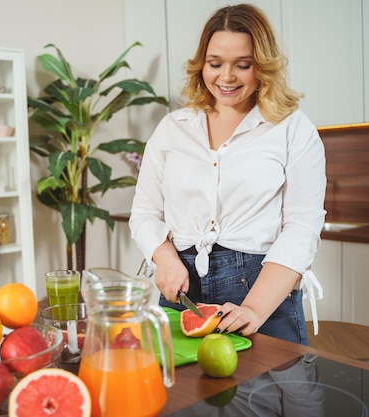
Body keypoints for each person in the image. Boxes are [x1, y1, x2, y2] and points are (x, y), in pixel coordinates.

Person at [129, 3, 326, 345]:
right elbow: (144, 213)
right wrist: (166, 259)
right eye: (215, 64)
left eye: (243, 65)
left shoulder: (294, 129)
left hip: (262, 288)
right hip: (182, 286)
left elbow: (301, 228)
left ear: (263, 66)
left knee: (274, 394)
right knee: (182, 395)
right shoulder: (172, 129)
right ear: (201, 64)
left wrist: (253, 309)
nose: (227, 77)